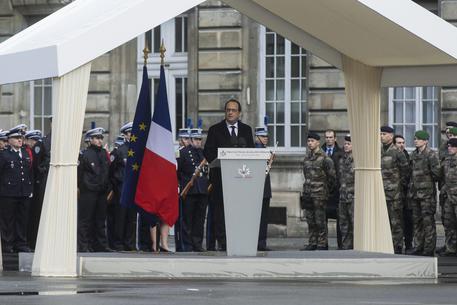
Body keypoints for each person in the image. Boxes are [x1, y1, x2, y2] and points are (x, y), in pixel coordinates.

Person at [203, 98, 255, 251]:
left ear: (239, 113)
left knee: (238, 212)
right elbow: (208, 152)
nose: (230, 112)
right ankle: (223, 242)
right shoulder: (215, 129)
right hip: (220, 178)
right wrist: (222, 157)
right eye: (228, 110)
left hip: (240, 178)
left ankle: (238, 239)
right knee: (219, 212)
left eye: (233, 110)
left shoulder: (246, 130)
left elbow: (251, 151)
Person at [77, 127, 112, 252]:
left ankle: (100, 245)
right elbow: (80, 174)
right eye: (97, 138)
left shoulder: (103, 153)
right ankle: (84, 245)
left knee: (100, 220)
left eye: (101, 138)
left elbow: (107, 171)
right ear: (90, 139)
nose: (100, 141)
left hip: (101, 191)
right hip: (89, 191)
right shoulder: (85, 154)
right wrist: (83, 187)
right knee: (86, 220)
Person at [407, 130, 441, 256]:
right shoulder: (413, 155)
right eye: (415, 138)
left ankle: (428, 248)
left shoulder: (431, 155)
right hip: (415, 194)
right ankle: (418, 246)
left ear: (425, 141)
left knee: (428, 222)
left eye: (418, 139)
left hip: (426, 195)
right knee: (417, 222)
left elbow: (437, 174)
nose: (415, 140)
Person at [0, 126, 33, 253]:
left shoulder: (25, 153)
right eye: (16, 138)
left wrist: (30, 189)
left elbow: (30, 172)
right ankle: (7, 244)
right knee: (8, 220)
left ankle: (21, 243)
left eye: (21, 138)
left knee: (22, 219)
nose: (20, 140)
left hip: (23, 191)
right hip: (8, 192)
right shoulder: (4, 154)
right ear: (9, 140)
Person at [301, 132, 336, 250]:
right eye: (308, 141)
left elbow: (332, 178)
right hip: (308, 193)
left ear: (318, 143)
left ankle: (322, 243)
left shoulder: (325, 158)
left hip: (320, 194)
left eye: (312, 141)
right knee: (310, 219)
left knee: (320, 220)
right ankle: (312, 242)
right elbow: (305, 175)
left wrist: (325, 190)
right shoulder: (307, 158)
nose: (310, 143)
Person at [177, 128, 209, 252]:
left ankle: (197, 244)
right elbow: (178, 172)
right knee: (187, 219)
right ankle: (187, 245)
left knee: (199, 219)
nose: (198, 142)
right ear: (190, 140)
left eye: (200, 139)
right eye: (196, 139)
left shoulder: (204, 153)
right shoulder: (183, 153)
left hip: (202, 190)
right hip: (189, 190)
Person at [380, 126, 409, 254]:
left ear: (391, 136)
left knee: (395, 222)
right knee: (382, 222)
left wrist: (397, 186)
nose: (381, 136)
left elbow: (405, 172)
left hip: (394, 194)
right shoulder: (378, 151)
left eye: (384, 134)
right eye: (380, 134)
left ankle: (397, 246)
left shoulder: (397, 152)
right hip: (380, 193)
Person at [109, 122, 137, 251]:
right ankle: (118, 243)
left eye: (133, 133)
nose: (132, 135)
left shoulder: (137, 150)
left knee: (131, 217)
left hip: (133, 187)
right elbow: (112, 170)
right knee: (120, 216)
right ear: (125, 135)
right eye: (129, 133)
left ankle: (130, 243)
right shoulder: (119, 151)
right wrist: (116, 186)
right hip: (122, 186)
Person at [24, 130, 47, 250]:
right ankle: (31, 241)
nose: (35, 143)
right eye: (33, 140)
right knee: (32, 216)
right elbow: (36, 167)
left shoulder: (33, 150)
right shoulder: (28, 151)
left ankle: (34, 241)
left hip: (36, 186)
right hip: (32, 186)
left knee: (37, 215)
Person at [437, 123, 457, 255]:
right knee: (449, 223)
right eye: (448, 145)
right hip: (449, 197)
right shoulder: (448, 160)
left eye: (452, 146)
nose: (449, 148)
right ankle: (451, 247)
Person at [321, 129, 343, 249]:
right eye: (327, 137)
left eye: (331, 137)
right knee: (321, 219)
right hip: (323, 191)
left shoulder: (341, 152)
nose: (328, 139)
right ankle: (323, 244)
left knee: (340, 219)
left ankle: (341, 244)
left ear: (335, 139)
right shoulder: (320, 152)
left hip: (337, 191)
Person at [174, 127, 192, 252]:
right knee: (181, 219)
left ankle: (188, 243)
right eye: (185, 138)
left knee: (188, 218)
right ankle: (180, 244)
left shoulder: (192, 152)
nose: (188, 141)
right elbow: (176, 172)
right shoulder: (178, 153)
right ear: (180, 140)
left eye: (188, 139)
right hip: (181, 188)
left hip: (190, 188)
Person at [394, 134, 413, 252]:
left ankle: (408, 244)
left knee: (408, 220)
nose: (401, 145)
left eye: (403, 143)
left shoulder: (408, 157)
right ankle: (397, 245)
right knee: (396, 221)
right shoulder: (392, 156)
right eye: (398, 143)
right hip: (395, 194)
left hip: (406, 194)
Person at [255, 126, 272, 251]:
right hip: (257, 188)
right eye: (262, 136)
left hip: (265, 189)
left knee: (264, 218)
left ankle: (262, 243)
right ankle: (258, 243)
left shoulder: (266, 150)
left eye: (266, 136)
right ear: (257, 137)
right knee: (257, 218)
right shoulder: (255, 150)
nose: (265, 139)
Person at [338, 135, 354, 250]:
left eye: (349, 144)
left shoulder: (357, 160)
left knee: (354, 223)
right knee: (344, 223)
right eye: (345, 144)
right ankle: (346, 246)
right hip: (343, 196)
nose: (346, 146)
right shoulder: (342, 159)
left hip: (353, 196)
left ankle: (356, 246)